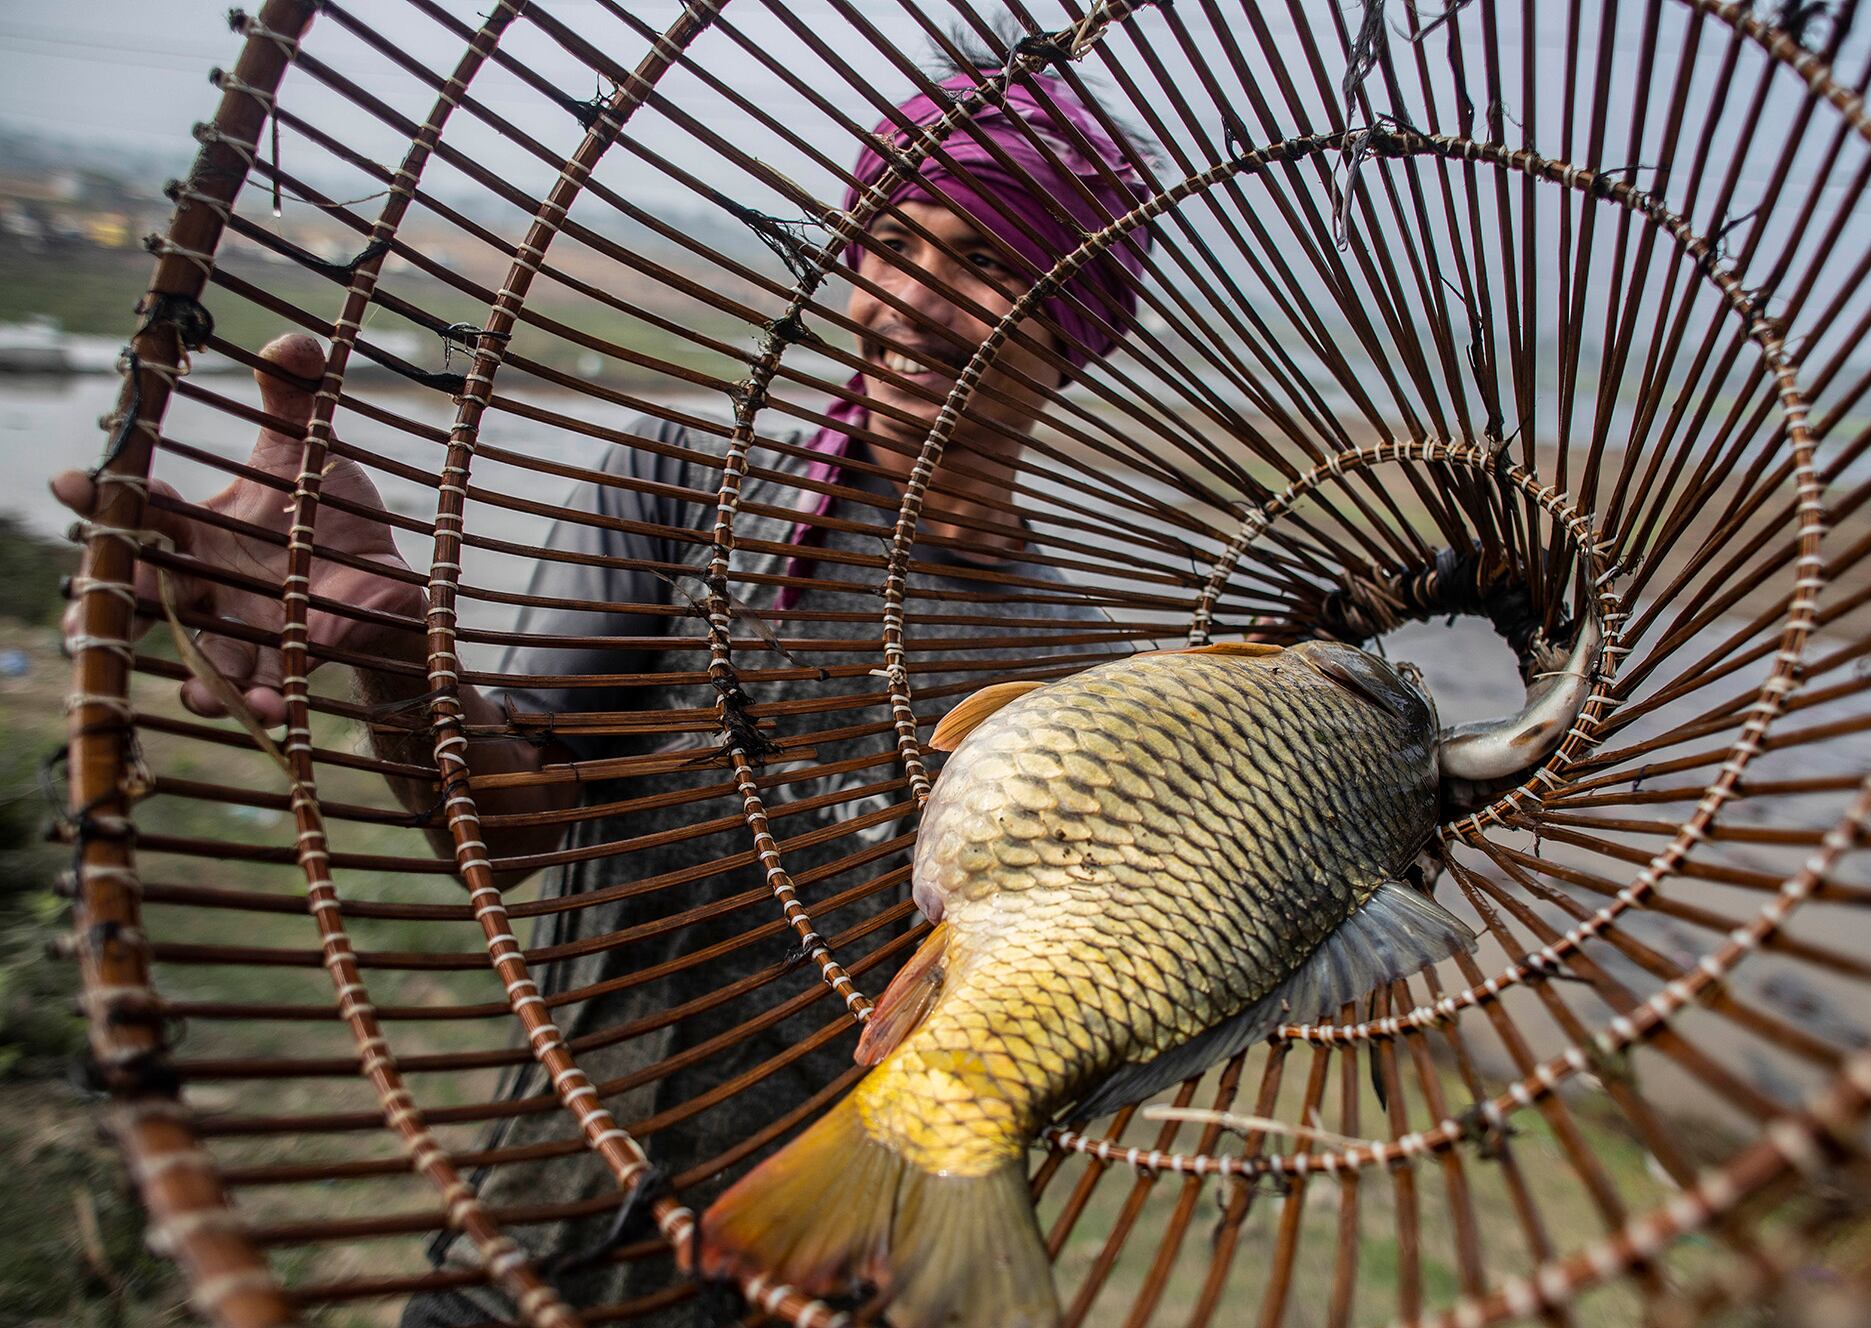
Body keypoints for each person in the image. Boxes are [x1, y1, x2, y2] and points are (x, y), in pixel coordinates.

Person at [55, 63, 1154, 1325]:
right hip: (535, 1234)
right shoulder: (686, 489)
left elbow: (1059, 1006)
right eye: (889, 241)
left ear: (1077, 316)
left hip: (820, 1275)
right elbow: (514, 819)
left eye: (982, 261)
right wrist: (399, 646)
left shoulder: (1079, 662)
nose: (906, 299)